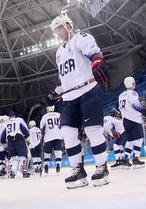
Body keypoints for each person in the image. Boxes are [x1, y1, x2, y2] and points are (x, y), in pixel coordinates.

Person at [45, 14, 110, 188]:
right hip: (70, 97)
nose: (57, 34)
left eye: (58, 30)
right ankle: (77, 170)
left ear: (67, 25)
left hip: (88, 90)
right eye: (55, 32)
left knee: (93, 130)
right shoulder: (59, 52)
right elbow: (64, 78)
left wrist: (97, 61)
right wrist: (54, 92)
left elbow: (94, 54)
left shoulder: (81, 37)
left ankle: (101, 167)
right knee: (67, 132)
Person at [119, 76, 146, 169]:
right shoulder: (133, 93)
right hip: (134, 119)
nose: (134, 84)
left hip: (125, 121)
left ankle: (125, 159)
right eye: (133, 83)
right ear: (130, 84)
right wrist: (145, 112)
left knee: (130, 140)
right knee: (139, 139)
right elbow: (135, 105)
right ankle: (136, 159)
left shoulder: (121, 95)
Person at [0, 111, 30, 178]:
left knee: (12, 157)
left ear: (9, 117)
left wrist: (3, 141)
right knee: (23, 156)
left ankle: (12, 171)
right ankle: (24, 170)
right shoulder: (18, 120)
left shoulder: (6, 123)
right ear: (14, 115)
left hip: (10, 141)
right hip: (19, 139)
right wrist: (26, 136)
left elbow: (3, 134)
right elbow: (25, 130)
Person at [39, 106, 62, 174]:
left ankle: (46, 166)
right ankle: (58, 165)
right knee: (58, 151)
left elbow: (42, 128)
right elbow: (61, 124)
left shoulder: (45, 116)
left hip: (48, 137)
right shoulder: (58, 115)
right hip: (58, 136)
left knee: (47, 153)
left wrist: (42, 133)